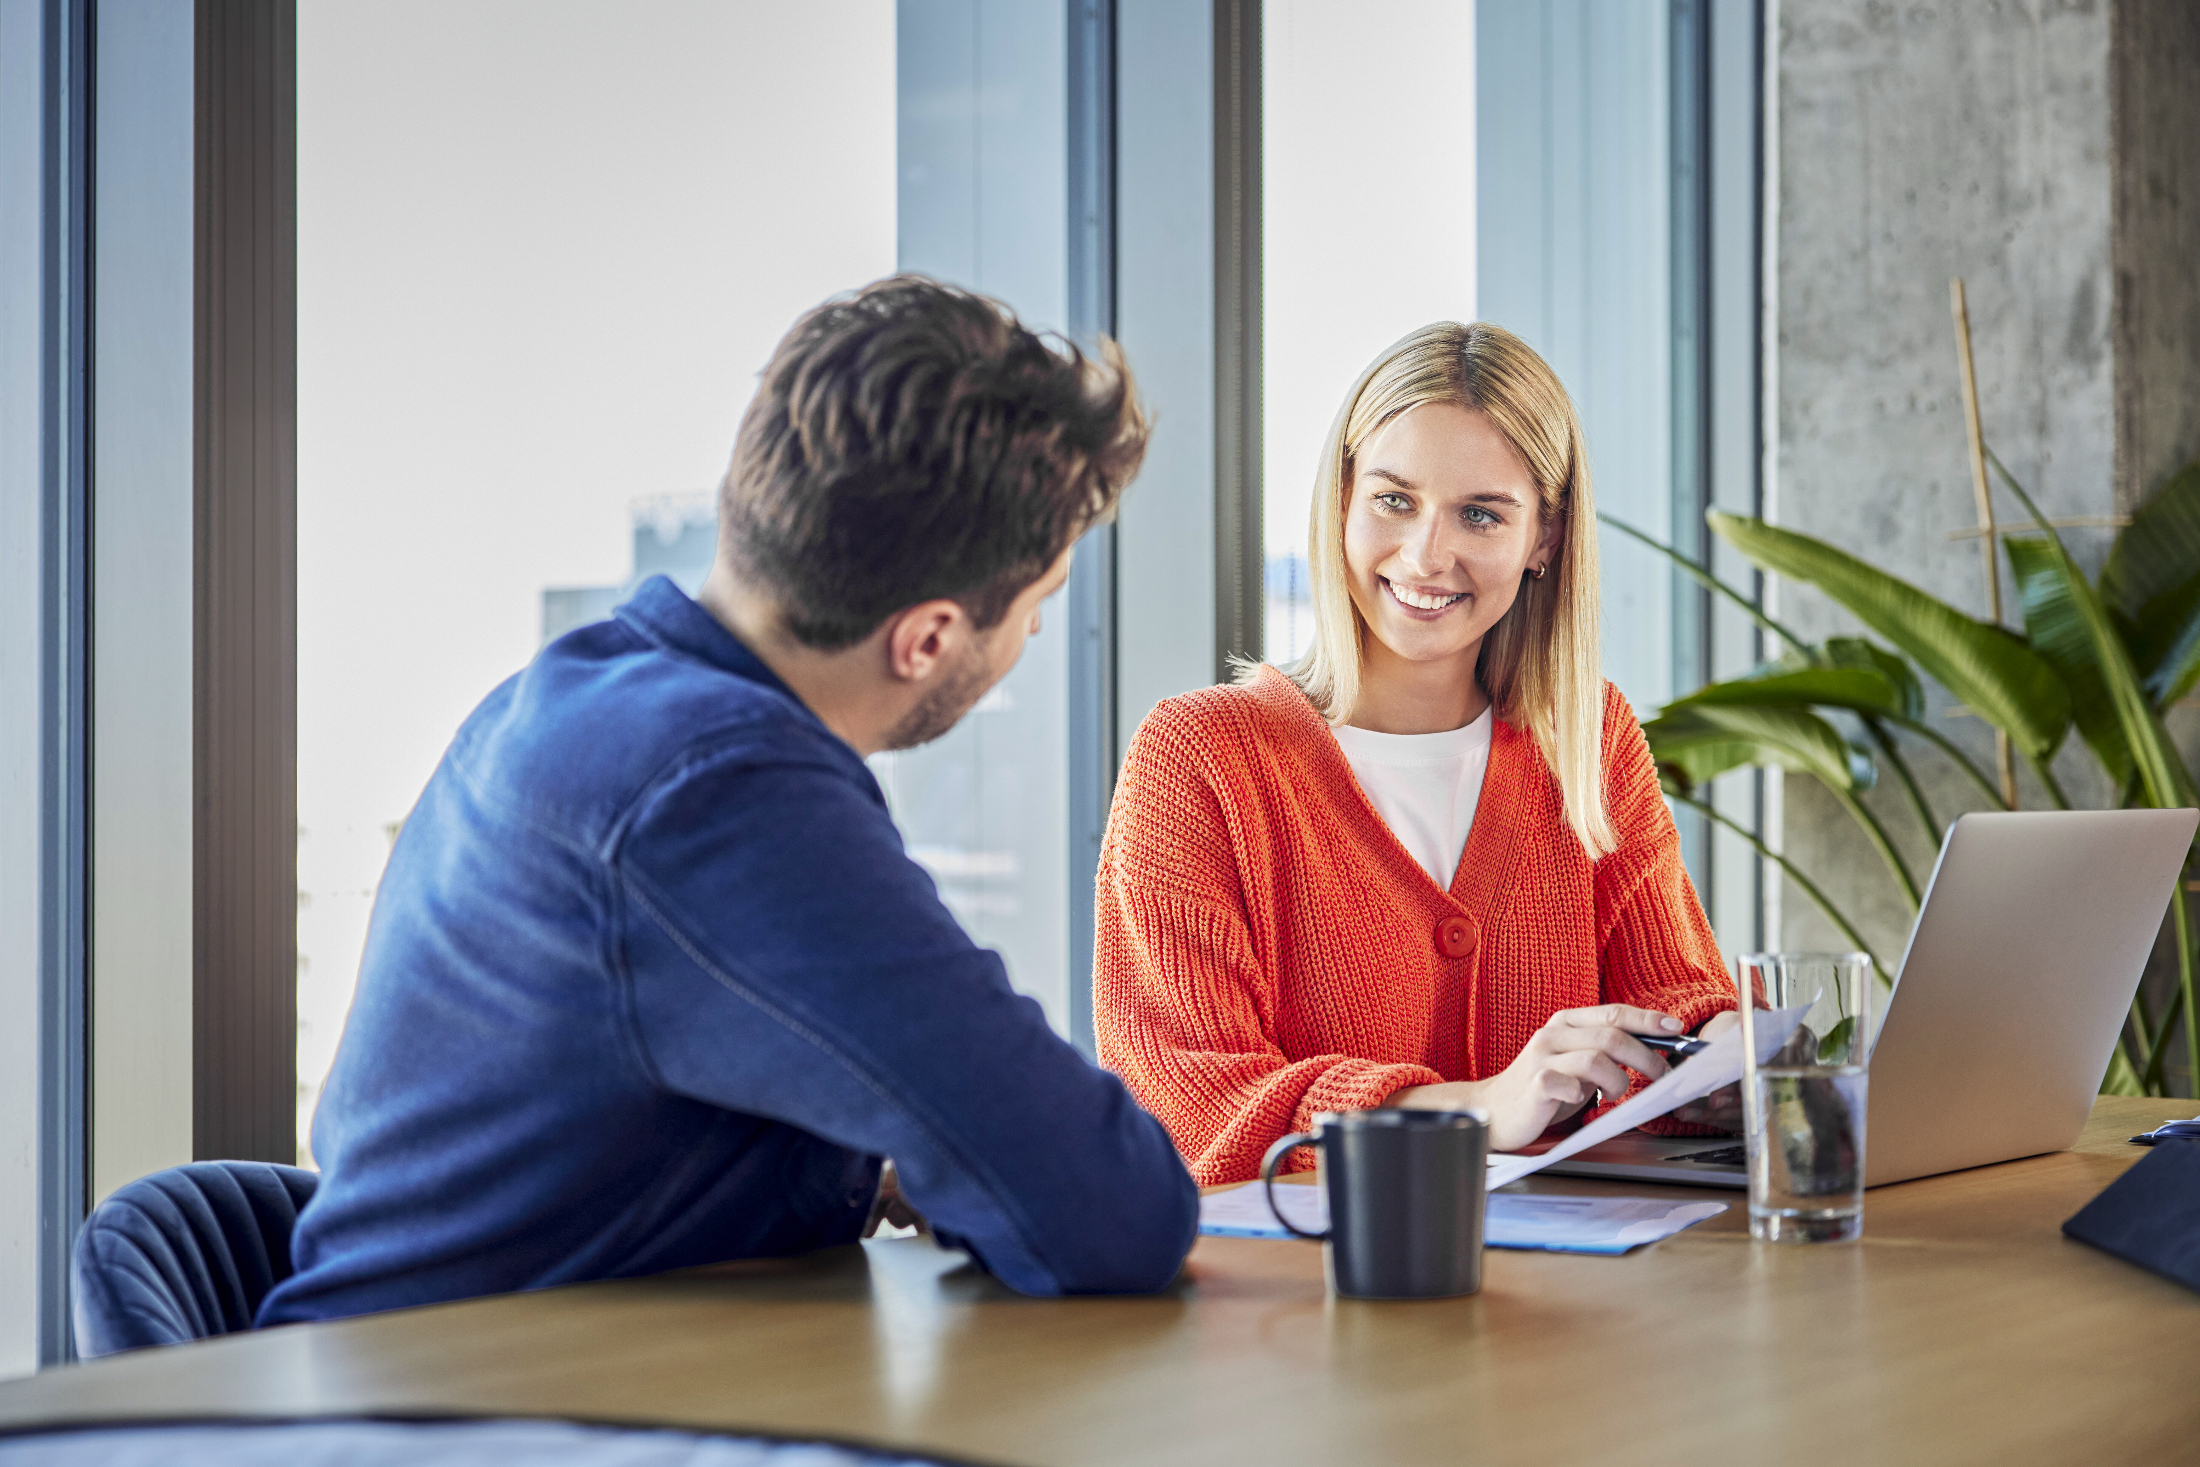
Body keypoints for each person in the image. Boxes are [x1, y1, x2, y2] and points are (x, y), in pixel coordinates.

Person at [262, 277, 1198, 1324]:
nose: (1029, 642)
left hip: (497, 1379)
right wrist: (982, 1162)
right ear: (928, 636)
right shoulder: (720, 792)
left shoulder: (569, 700)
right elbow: (1113, 1211)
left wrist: (901, 1165)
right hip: (463, 1430)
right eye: (1036, 610)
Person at [1093, 322, 1740, 1185]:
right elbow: (1192, 1101)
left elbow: (1673, 1002)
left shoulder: (1587, 737)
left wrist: (1720, 1055)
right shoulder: (1199, 758)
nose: (1428, 554)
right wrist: (1477, 1109)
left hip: (1568, 1298)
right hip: (1306, 1296)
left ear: (1543, 540)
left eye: (1480, 514)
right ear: (1344, 499)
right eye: (1395, 500)